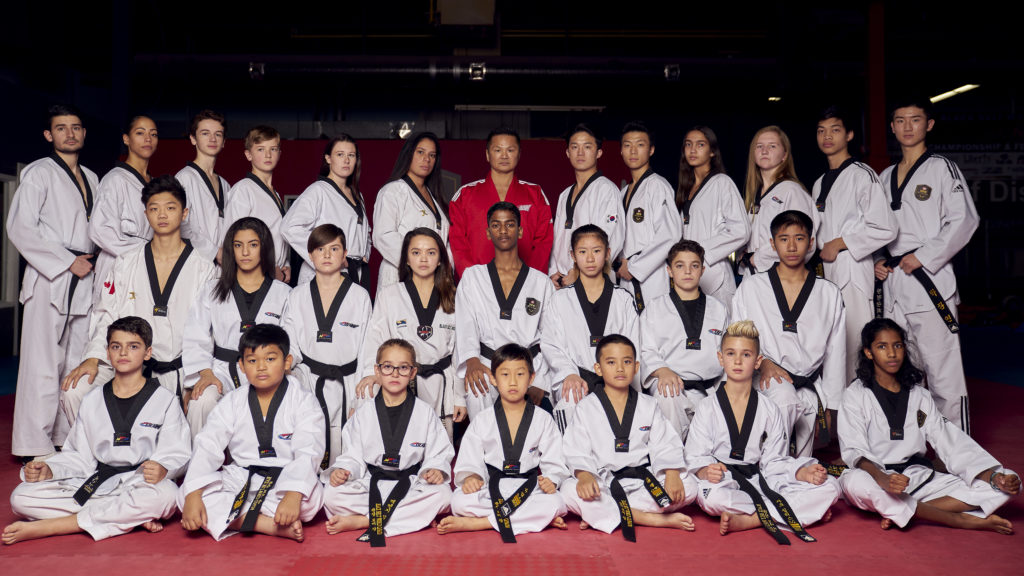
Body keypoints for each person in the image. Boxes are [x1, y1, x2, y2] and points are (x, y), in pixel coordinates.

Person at [3, 317, 190, 545]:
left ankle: (56, 525)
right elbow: (79, 456)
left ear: (147, 353)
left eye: (133, 346)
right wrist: (51, 470)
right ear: (108, 353)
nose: (123, 353)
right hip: (97, 481)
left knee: (168, 495)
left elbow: (177, 451)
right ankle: (126, 516)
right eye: (116, 346)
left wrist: (163, 468)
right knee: (21, 497)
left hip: (138, 483)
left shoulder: (165, 399)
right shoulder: (92, 399)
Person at [838, 319, 1018, 534]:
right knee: (855, 482)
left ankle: (906, 512)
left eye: (897, 345)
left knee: (1006, 484)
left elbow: (949, 442)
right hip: (875, 477)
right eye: (882, 346)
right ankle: (959, 519)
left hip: (915, 478)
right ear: (869, 352)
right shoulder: (855, 395)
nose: (892, 353)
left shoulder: (920, 395)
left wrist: (993, 477)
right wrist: (883, 479)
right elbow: (854, 449)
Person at [62, 176, 217, 422]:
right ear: (146, 214)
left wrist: (202, 372)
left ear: (184, 213)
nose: (162, 215)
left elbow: (206, 329)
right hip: (128, 366)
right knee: (74, 390)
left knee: (205, 399)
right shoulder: (126, 262)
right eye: (154, 209)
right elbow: (106, 314)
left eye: (170, 208)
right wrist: (93, 358)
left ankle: (191, 450)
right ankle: (97, 448)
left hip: (182, 368)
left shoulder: (204, 268)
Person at [874, 97, 979, 433]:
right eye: (900, 120)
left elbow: (965, 219)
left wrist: (925, 255)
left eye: (915, 119)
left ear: (929, 125)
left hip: (928, 279)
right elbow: (875, 228)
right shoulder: (884, 177)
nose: (907, 127)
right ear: (892, 127)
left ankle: (955, 447)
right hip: (894, 283)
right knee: (900, 369)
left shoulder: (942, 168)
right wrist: (877, 259)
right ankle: (912, 442)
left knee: (943, 370)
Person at [686, 320, 839, 543]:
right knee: (711, 499)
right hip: (724, 483)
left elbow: (774, 462)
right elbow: (694, 455)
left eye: (746, 354)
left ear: (758, 361)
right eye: (731, 353)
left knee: (831, 487)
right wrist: (705, 472)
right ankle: (795, 512)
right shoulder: (707, 407)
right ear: (721, 358)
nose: (738, 361)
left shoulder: (769, 409)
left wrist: (801, 474)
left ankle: (753, 519)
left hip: (759, 479)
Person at [7, 104, 100, 460]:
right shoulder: (38, 172)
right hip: (51, 274)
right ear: (49, 135)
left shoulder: (92, 177)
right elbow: (20, 228)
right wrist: (65, 261)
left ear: (84, 133)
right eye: (61, 128)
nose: (70, 134)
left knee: (74, 360)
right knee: (42, 363)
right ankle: (32, 443)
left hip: (84, 272)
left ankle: (64, 438)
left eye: (76, 127)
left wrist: (84, 264)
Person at [179, 324, 325, 542]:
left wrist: (294, 494)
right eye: (252, 360)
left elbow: (308, 450)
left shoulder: (303, 401)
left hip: (285, 477)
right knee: (185, 496)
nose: (261, 367)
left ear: (287, 362)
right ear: (241, 365)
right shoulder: (233, 401)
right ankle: (266, 524)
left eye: (270, 359)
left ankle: (239, 515)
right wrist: (193, 493)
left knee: (311, 499)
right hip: (241, 476)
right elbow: (208, 444)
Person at [560, 334, 697, 541]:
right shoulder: (586, 407)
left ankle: (607, 514)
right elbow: (576, 449)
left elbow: (665, 443)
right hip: (604, 483)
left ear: (636, 367)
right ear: (598, 368)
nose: (620, 368)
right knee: (568, 490)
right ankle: (648, 518)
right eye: (611, 362)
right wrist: (585, 476)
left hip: (643, 482)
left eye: (626, 362)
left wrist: (671, 473)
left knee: (690, 485)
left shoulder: (648, 404)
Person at [731, 211, 846, 458]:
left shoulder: (829, 293)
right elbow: (737, 339)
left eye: (799, 238)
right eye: (784, 239)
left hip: (808, 384)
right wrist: (764, 363)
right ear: (772, 244)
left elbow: (836, 354)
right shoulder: (752, 287)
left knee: (801, 464)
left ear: (811, 243)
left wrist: (830, 406)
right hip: (765, 379)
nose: (792, 247)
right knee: (783, 402)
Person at [322, 339, 454, 546]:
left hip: (409, 483)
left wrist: (434, 469)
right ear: (377, 370)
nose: (395, 374)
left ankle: (365, 520)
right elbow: (352, 455)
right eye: (388, 367)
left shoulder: (425, 412)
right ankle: (404, 518)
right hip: (370, 483)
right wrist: (344, 470)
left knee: (443, 495)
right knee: (331, 494)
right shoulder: (363, 413)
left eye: (403, 368)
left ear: (413, 372)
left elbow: (438, 453)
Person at [439, 344, 569, 541]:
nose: (513, 382)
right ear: (493, 379)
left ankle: (481, 523)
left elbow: (554, 460)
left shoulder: (543, 419)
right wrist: (472, 477)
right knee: (459, 501)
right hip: (491, 487)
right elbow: (469, 459)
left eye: (520, 374)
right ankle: (530, 519)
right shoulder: (482, 419)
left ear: (531, 378)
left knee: (557, 502)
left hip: (529, 487)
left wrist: (552, 480)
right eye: (505, 374)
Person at [182, 217, 292, 438]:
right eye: (238, 245)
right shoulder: (212, 289)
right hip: (222, 370)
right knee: (202, 400)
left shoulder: (283, 293)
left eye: (253, 244)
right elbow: (196, 335)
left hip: (266, 368)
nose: (245, 252)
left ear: (264, 248)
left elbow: (291, 340)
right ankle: (199, 459)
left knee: (286, 403)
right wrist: (206, 373)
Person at [813, 106, 898, 383]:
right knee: (831, 348)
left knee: (854, 348)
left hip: (852, 270)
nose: (827, 136)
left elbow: (886, 227)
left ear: (849, 135)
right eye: (821, 131)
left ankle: (861, 406)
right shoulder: (819, 183)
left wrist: (840, 243)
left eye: (835, 130)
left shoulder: (862, 174)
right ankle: (836, 407)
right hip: (827, 273)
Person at [356, 228, 463, 440]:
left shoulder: (454, 297)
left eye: (431, 252)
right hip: (400, 381)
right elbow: (375, 338)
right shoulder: (389, 295)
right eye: (416, 252)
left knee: (439, 447)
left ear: (440, 260)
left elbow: (460, 351)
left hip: (440, 384)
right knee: (401, 443)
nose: (423, 258)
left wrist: (460, 396)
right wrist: (371, 372)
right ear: (406, 259)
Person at [282, 224, 372, 470]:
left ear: (345, 255)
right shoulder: (297, 295)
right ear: (310, 255)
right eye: (320, 249)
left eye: (334, 249)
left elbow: (367, 347)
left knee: (347, 458)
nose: (327, 255)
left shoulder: (359, 296)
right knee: (308, 451)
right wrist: (287, 362)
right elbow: (290, 342)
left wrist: (360, 396)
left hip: (348, 381)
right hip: (310, 380)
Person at [455, 202, 555, 418]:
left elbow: (551, 336)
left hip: (529, 367)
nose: (503, 231)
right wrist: (471, 360)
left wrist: (541, 381)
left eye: (509, 225)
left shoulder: (541, 282)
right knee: (478, 404)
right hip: (486, 363)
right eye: (496, 225)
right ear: (488, 232)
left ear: (520, 231)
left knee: (530, 432)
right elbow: (465, 324)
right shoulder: (473, 277)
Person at [541, 225, 639, 432]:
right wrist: (568, 373)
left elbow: (633, 344)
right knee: (570, 400)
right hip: (576, 377)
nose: (590, 258)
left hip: (616, 376)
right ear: (573, 256)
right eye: (583, 252)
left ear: (608, 253)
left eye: (596, 251)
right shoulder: (560, 299)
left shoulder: (622, 299)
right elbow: (551, 344)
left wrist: (616, 375)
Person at [640, 240, 729, 440]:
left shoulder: (718, 309)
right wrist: (662, 370)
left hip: (709, 387)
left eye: (694, 266)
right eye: (680, 266)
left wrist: (725, 387)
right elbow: (646, 349)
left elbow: (728, 352)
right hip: (670, 385)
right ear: (669, 271)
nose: (687, 271)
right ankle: (671, 458)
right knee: (667, 395)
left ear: (702, 270)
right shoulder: (655, 308)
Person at [449, 127, 553, 279]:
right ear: (487, 154)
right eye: (498, 150)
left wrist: (531, 280)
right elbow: (457, 242)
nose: (504, 156)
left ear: (519, 154)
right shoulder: (465, 194)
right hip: (477, 282)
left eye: (510, 150)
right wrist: (473, 280)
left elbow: (543, 242)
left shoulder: (535, 193)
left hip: (525, 281)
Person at [281, 134, 372, 288]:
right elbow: (288, 227)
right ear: (328, 158)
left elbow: (365, 234)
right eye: (340, 154)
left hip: (352, 271)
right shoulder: (318, 191)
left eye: (351, 155)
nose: (346, 160)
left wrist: (364, 255)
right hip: (323, 274)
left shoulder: (357, 195)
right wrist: (327, 255)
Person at [89, 115, 160, 300]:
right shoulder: (115, 179)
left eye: (153, 134)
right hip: (117, 265)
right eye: (140, 133)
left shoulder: (155, 185)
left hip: (148, 267)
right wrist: (148, 251)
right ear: (126, 139)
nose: (148, 139)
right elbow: (100, 230)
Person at [676, 126, 749, 305]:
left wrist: (701, 251)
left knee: (720, 322)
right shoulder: (686, 187)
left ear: (712, 152)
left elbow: (741, 230)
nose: (693, 150)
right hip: (689, 273)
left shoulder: (722, 182)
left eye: (700, 144)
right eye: (688, 144)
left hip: (714, 273)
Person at [372, 132, 450, 297]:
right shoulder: (393, 191)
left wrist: (443, 269)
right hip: (401, 276)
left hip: (433, 279)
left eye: (432, 155)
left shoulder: (433, 196)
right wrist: (417, 263)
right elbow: (383, 235)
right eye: (420, 152)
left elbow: (444, 242)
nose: (426, 159)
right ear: (409, 154)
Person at [549, 124, 625, 288]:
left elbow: (612, 239)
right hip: (563, 281)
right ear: (567, 152)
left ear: (599, 152)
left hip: (593, 279)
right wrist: (553, 271)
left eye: (587, 147)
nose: (580, 153)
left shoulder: (606, 190)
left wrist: (579, 272)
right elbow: (557, 239)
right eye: (574, 147)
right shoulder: (565, 194)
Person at [617, 121, 681, 313]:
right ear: (621, 151)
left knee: (654, 323)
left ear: (651, 150)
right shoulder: (623, 192)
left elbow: (671, 235)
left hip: (651, 276)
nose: (633, 151)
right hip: (625, 273)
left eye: (640, 144)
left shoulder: (658, 186)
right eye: (627, 145)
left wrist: (635, 267)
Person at [738, 125, 818, 276]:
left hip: (782, 275)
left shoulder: (792, 191)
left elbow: (804, 240)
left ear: (784, 155)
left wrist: (758, 258)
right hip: (752, 276)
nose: (764, 151)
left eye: (772, 146)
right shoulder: (753, 196)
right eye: (759, 146)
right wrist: (742, 255)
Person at [223, 125, 291, 283]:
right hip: (253, 276)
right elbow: (233, 240)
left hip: (274, 275)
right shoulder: (243, 189)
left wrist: (285, 265)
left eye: (273, 149)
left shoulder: (275, 194)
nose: (268, 155)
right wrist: (269, 268)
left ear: (279, 154)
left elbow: (277, 235)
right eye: (260, 149)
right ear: (248, 155)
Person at [175, 110, 230, 263]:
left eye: (218, 134)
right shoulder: (184, 178)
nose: (212, 139)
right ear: (193, 139)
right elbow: (180, 226)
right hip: (194, 263)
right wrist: (214, 252)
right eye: (205, 133)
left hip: (223, 266)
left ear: (224, 142)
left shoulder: (225, 185)